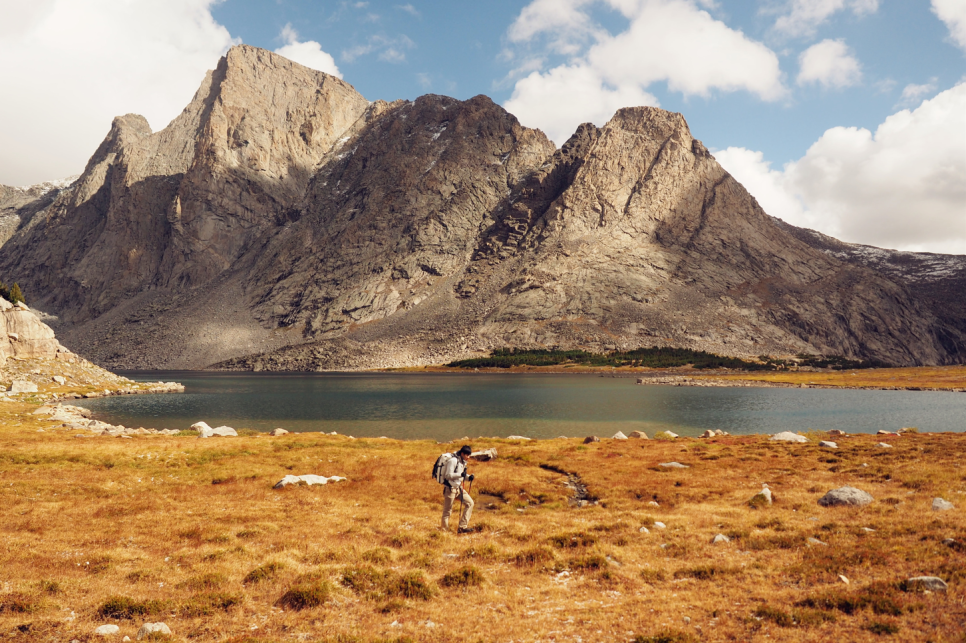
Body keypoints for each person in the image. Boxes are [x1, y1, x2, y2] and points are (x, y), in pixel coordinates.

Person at [440, 444, 475, 533]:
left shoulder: (462, 461)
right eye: (467, 455)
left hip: (458, 488)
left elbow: (461, 474)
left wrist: (468, 477)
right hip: (450, 489)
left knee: (470, 503)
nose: (469, 457)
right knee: (447, 511)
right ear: (462, 454)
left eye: (469, 455)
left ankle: (462, 527)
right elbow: (448, 475)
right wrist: (461, 475)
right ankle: (444, 531)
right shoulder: (453, 461)